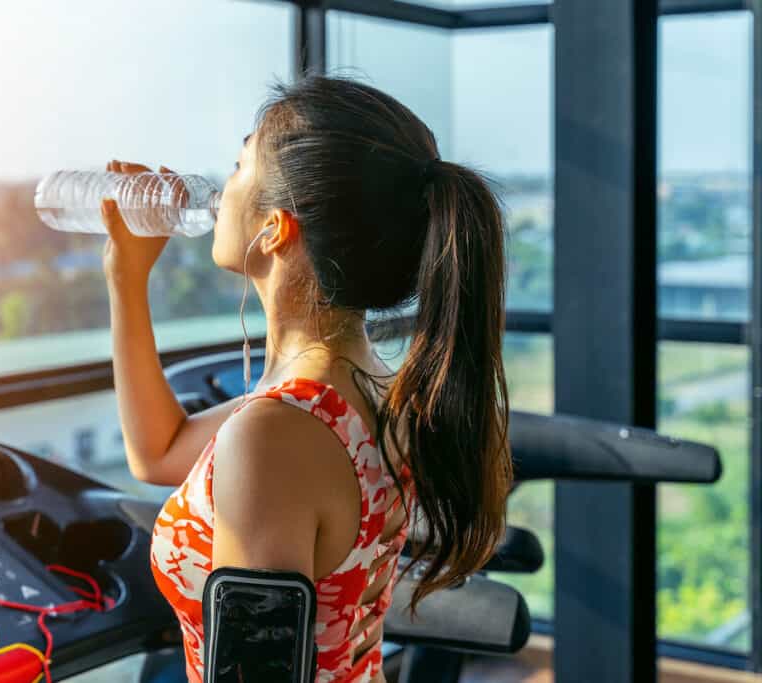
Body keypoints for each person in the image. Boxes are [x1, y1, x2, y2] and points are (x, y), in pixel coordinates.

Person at [100, 73, 513, 683]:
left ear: (275, 228)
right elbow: (158, 451)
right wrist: (125, 281)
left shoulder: (278, 435)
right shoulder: (361, 387)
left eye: (240, 166)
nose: (220, 190)